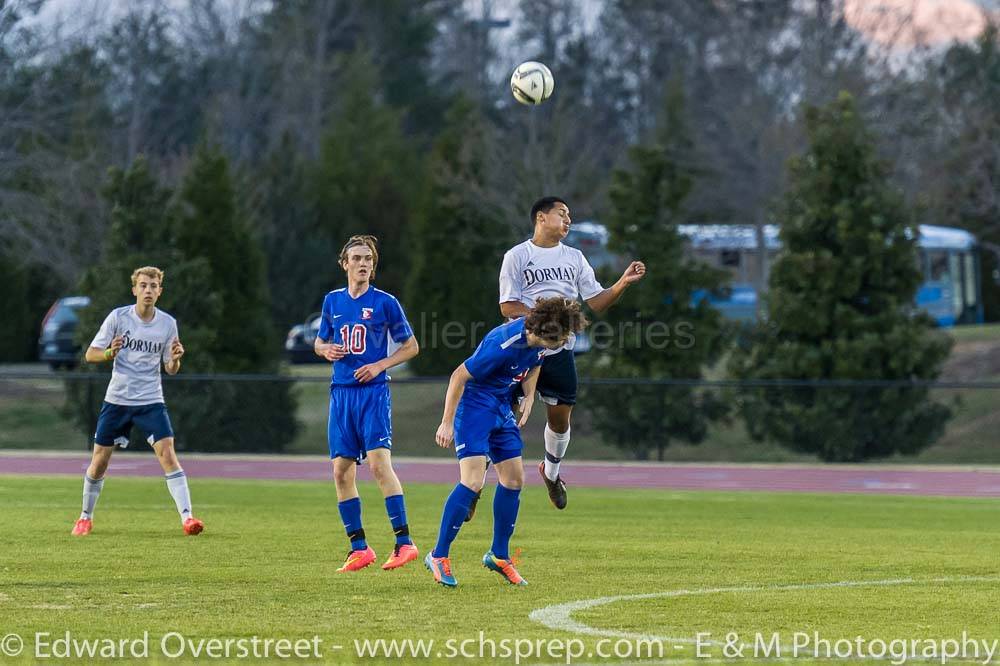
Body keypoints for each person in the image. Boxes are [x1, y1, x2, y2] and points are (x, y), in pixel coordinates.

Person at [464, 196, 646, 518]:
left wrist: (622, 282)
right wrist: (547, 320)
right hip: (522, 349)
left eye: (570, 216)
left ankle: (550, 472)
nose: (568, 220)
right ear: (540, 217)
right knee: (497, 415)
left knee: (560, 419)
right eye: (562, 214)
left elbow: (598, 302)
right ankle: (474, 486)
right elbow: (507, 307)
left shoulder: (574, 258)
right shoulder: (517, 256)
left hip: (559, 351)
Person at [425, 297, 588, 587]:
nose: (565, 341)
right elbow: (459, 375)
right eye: (563, 337)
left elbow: (535, 364)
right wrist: (446, 422)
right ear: (547, 334)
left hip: (501, 406)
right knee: (472, 482)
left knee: (514, 480)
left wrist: (528, 394)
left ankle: (499, 555)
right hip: (474, 408)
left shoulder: (539, 341)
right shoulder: (503, 346)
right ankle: (438, 555)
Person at [315, 235, 421, 573]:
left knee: (378, 466)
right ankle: (359, 548)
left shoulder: (385, 303)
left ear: (373, 267)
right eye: (357, 258)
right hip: (341, 393)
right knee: (340, 471)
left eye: (368, 260)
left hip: (373, 394)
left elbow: (411, 346)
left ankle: (405, 543)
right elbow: (320, 340)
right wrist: (324, 350)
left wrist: (379, 365)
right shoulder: (332, 301)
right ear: (344, 263)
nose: (363, 264)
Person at [71, 266, 203, 537]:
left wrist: (176, 358)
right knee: (99, 462)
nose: (148, 290)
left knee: (168, 454)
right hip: (117, 399)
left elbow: (170, 368)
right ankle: (85, 517)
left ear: (160, 291)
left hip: (151, 400)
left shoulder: (167, 324)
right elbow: (90, 354)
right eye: (143, 285)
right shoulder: (118, 318)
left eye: (153, 286)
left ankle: (188, 519)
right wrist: (109, 352)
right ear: (134, 290)